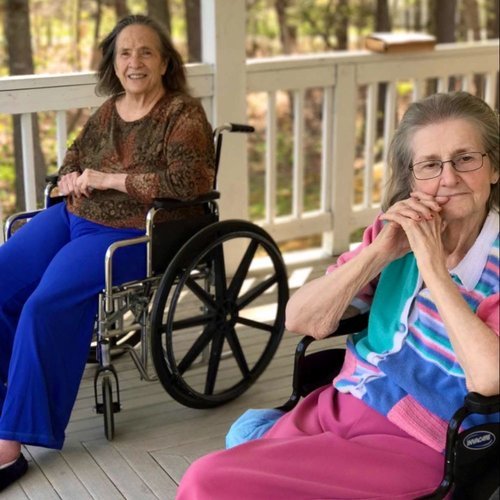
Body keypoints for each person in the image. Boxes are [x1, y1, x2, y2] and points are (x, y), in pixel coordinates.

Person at [176, 91, 499, 499]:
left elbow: (490, 379)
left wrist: (433, 268)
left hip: (424, 440)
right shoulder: (394, 235)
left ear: (494, 168)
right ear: (412, 180)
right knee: (240, 443)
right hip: (342, 403)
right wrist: (379, 253)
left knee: (207, 479)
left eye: (465, 159)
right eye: (430, 165)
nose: (448, 178)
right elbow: (301, 319)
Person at [0, 14, 214, 491]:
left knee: (43, 306)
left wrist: (111, 180)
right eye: (124, 53)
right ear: (113, 63)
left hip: (133, 232)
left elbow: (190, 181)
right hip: (73, 216)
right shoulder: (107, 111)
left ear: (165, 62)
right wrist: (72, 179)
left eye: (146, 52)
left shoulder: (182, 114)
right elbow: (72, 160)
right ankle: (8, 396)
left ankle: (11, 444)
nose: (134, 61)